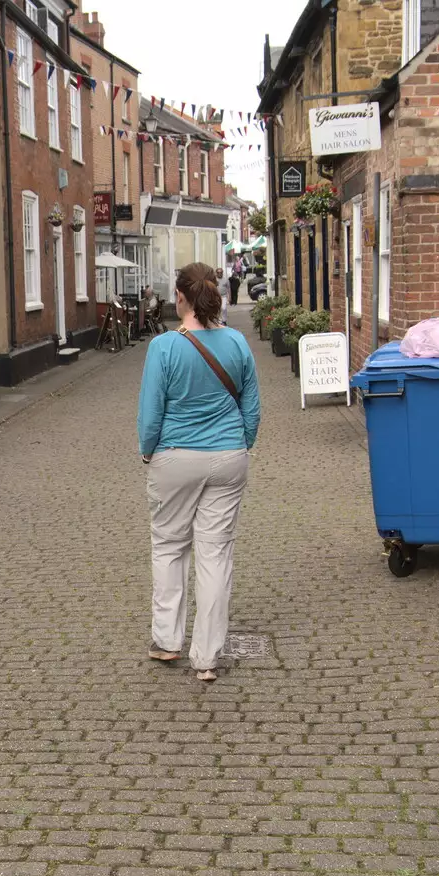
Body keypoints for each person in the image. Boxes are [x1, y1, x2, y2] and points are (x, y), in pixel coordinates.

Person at [137, 263, 262, 682]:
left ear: (180, 298)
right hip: (228, 457)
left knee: (170, 547)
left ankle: (167, 642)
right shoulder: (238, 343)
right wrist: (240, 441)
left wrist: (147, 451)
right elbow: (252, 406)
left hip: (174, 457)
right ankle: (207, 658)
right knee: (215, 554)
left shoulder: (164, 347)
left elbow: (150, 413)